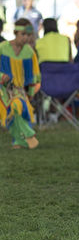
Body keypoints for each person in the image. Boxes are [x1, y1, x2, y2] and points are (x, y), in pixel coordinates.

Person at [0, 18, 40, 149]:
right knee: (15, 105)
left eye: (29, 35)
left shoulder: (29, 52)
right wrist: (2, 76)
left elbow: (34, 77)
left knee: (19, 106)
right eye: (23, 34)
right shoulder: (3, 48)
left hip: (19, 90)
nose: (26, 38)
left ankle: (18, 141)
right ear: (15, 33)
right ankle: (29, 135)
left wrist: (31, 93)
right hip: (1, 89)